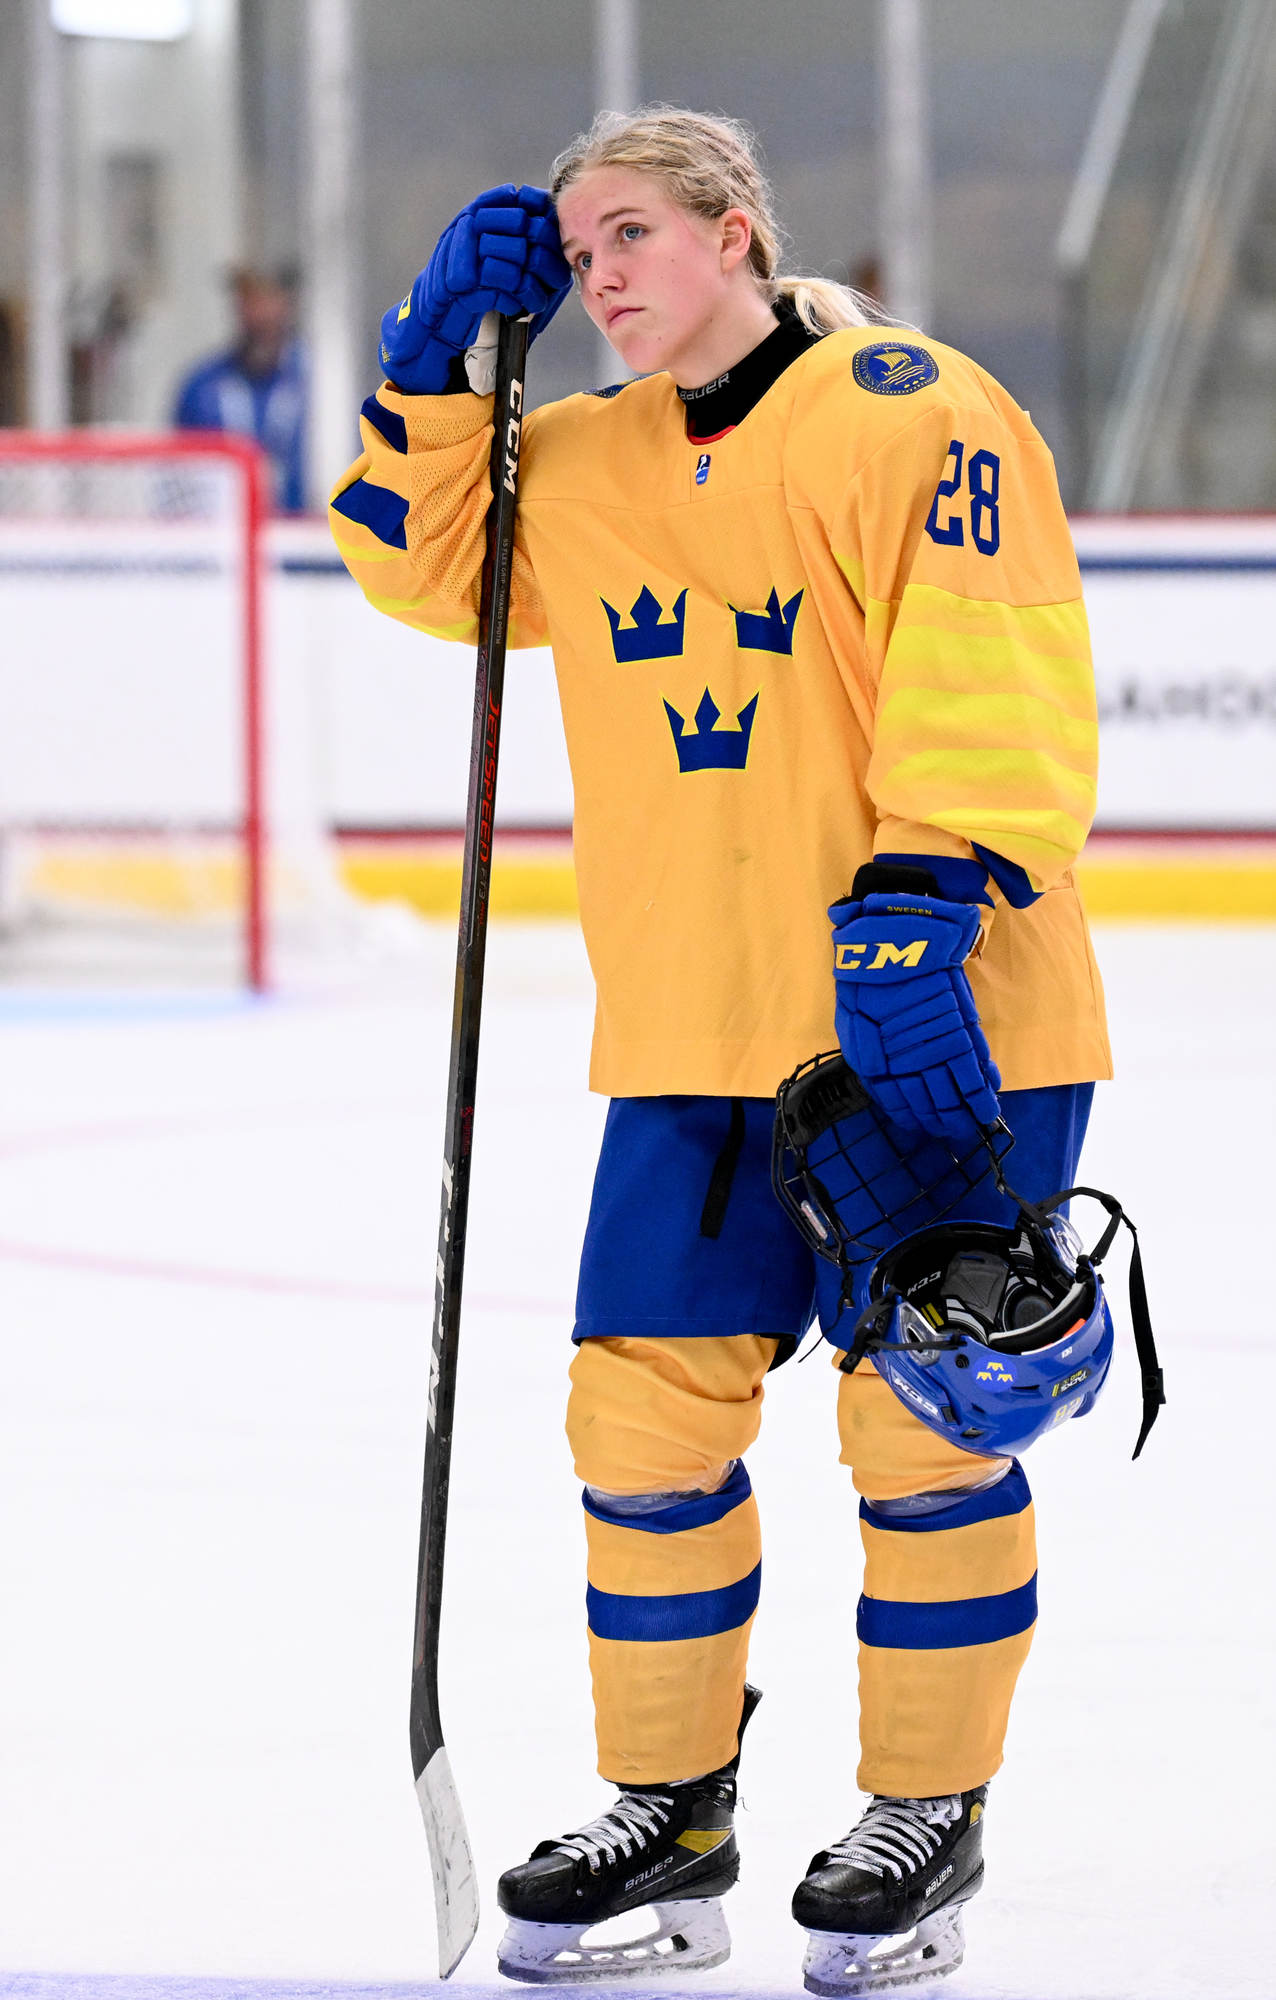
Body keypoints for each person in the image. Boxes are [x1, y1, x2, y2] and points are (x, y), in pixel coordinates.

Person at [329, 108, 1112, 1995]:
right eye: (575, 247)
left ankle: (924, 1810)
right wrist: (432, 368)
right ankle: (669, 1807)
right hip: (693, 1031)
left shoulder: (908, 408)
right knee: (638, 1424)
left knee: (921, 1426)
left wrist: (929, 884)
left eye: (634, 234)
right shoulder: (582, 458)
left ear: (735, 231)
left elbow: (995, 645)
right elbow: (422, 569)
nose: (599, 273)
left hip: (929, 1019)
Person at [172, 266, 307, 512]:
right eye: (249, 301)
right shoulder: (202, 387)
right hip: (222, 531)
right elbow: (178, 479)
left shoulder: (317, 386)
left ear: (288, 304)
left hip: (309, 530)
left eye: (268, 300)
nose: (259, 315)